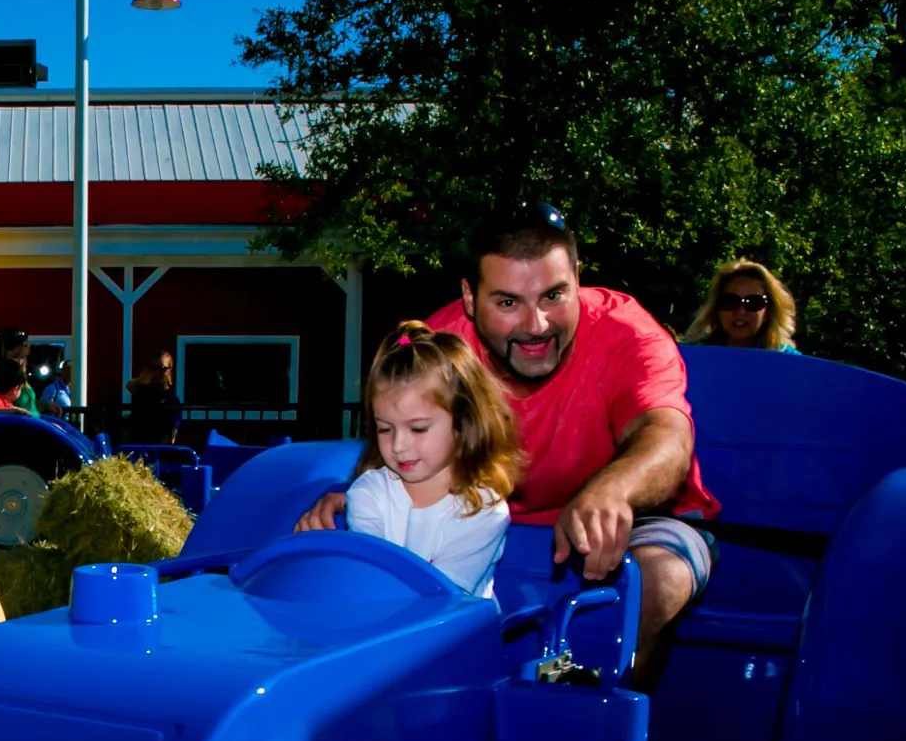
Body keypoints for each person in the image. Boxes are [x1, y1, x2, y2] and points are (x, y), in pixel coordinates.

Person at [296, 204, 718, 655]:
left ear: (578, 278)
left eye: (554, 295)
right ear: (471, 297)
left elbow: (668, 435)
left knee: (654, 581)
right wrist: (364, 489)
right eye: (508, 302)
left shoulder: (628, 335)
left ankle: (597, 721)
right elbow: (397, 440)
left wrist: (612, 491)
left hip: (634, 518)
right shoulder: (440, 351)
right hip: (478, 519)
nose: (536, 325)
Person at [295, 321, 519, 598]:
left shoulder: (484, 510)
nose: (399, 446)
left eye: (418, 428)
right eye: (385, 429)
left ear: (463, 424)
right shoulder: (370, 491)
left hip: (460, 634)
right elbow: (369, 580)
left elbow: (441, 600)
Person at [683, 258, 801, 352]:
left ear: (768, 312)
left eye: (754, 302)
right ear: (717, 309)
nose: (741, 311)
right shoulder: (690, 355)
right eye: (730, 301)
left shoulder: (788, 361)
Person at [126, 351, 182, 444]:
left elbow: (176, 419)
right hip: (139, 439)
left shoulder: (170, 397)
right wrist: (144, 376)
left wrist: (173, 434)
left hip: (160, 442)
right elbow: (129, 386)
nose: (157, 371)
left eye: (162, 368)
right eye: (153, 367)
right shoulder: (142, 390)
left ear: (169, 370)